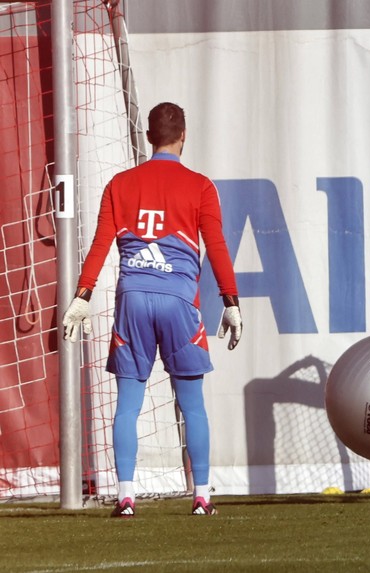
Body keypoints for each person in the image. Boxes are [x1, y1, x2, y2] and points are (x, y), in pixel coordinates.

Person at [61, 102, 242, 516]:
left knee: (128, 402)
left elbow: (101, 245)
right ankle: (202, 497)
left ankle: (126, 497)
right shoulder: (200, 185)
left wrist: (82, 295)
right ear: (184, 136)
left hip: (133, 300)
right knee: (192, 403)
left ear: (148, 138)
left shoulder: (120, 183)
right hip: (179, 302)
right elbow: (215, 246)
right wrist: (230, 302)